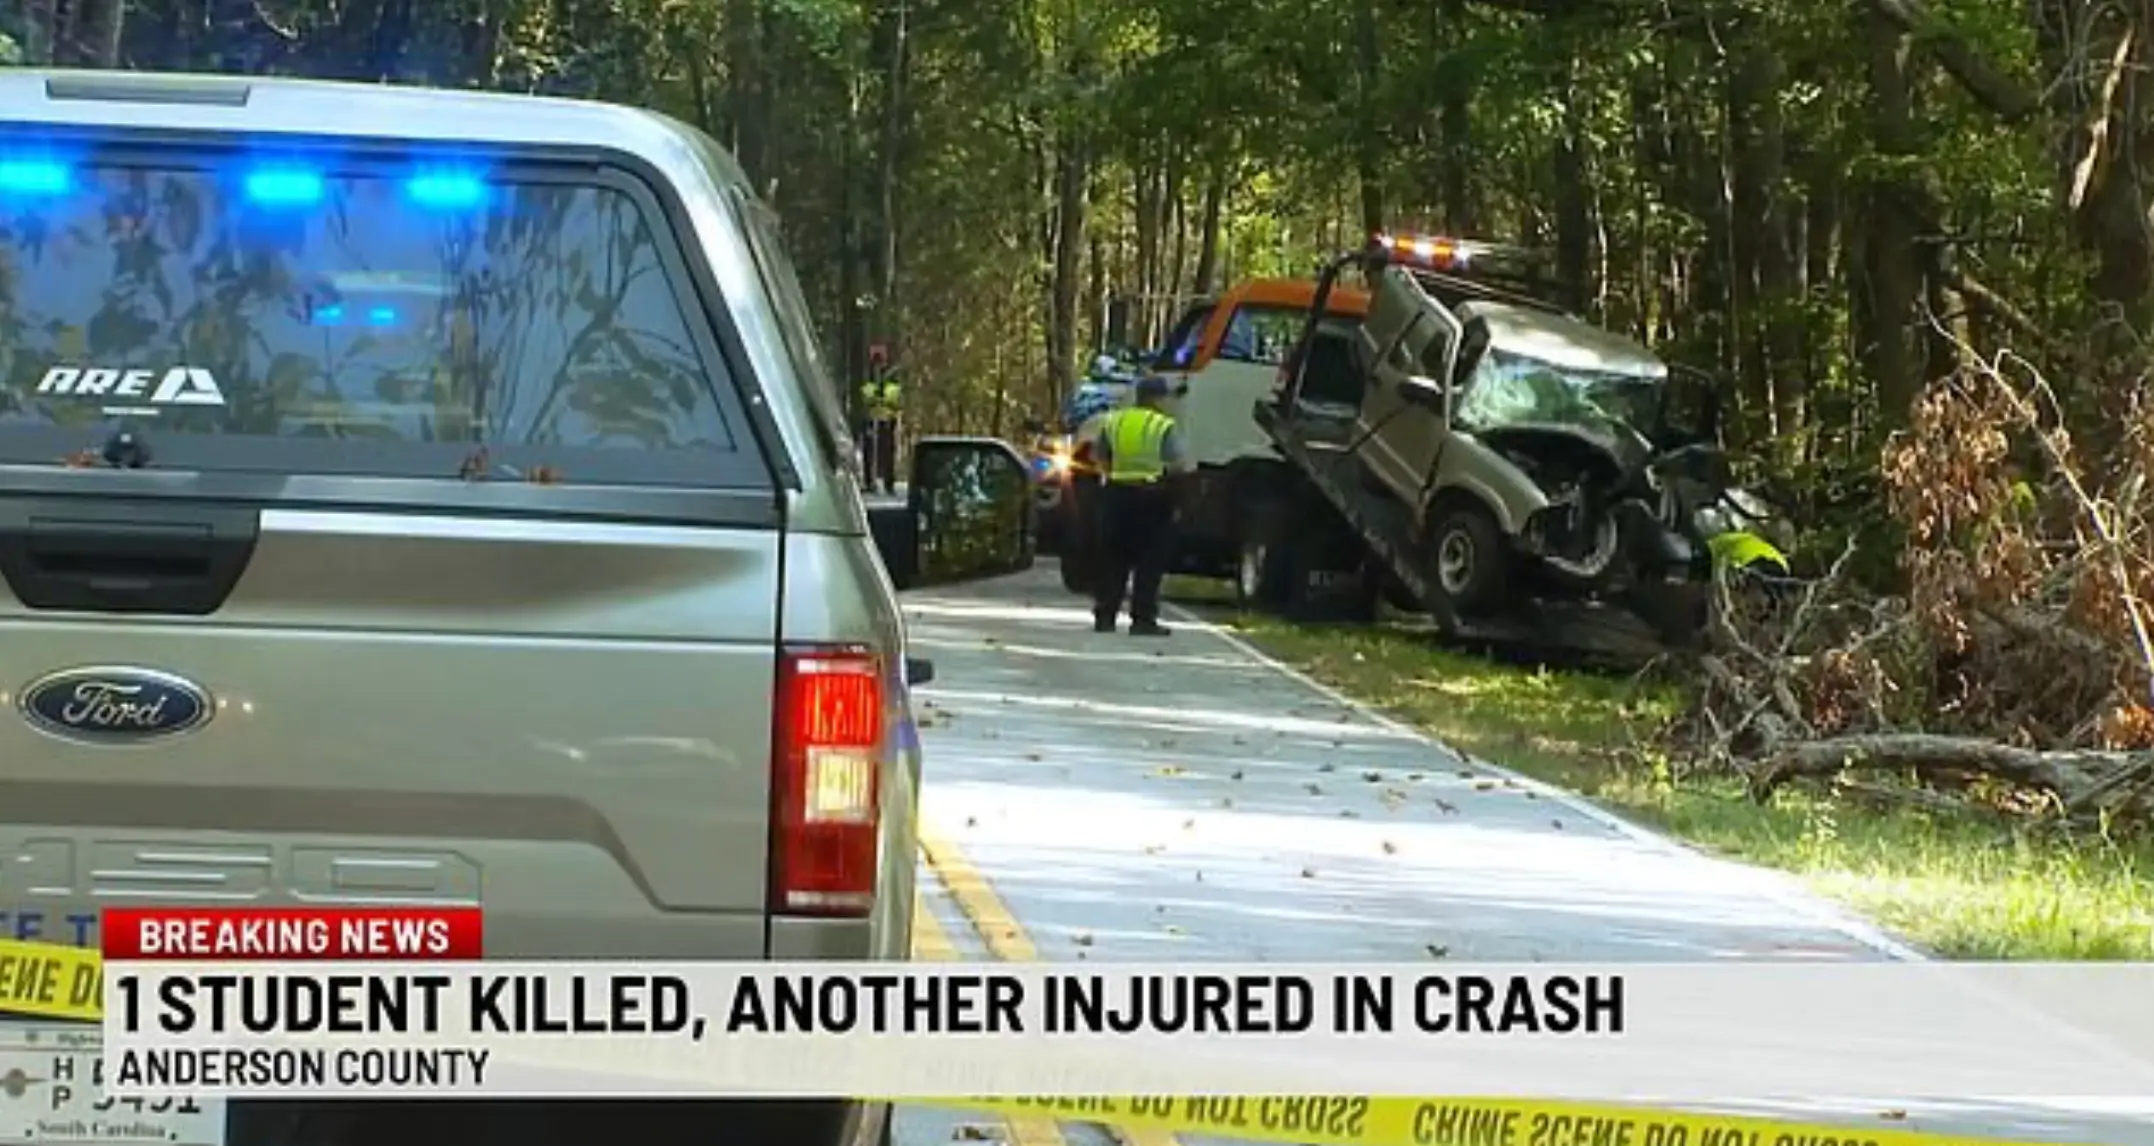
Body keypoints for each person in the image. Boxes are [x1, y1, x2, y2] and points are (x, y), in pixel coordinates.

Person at [1088, 374, 1187, 637]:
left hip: (1116, 495)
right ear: (1156, 399)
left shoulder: (1115, 421)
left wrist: (1111, 474)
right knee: (1149, 561)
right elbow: (1178, 465)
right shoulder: (1163, 425)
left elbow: (1097, 455)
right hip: (1151, 497)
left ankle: (1105, 615)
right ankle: (1142, 619)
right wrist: (1174, 496)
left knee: (1113, 558)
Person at [858, 351, 903, 494]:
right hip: (872, 421)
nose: (877, 366)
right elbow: (867, 399)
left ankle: (889, 483)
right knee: (869, 451)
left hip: (887, 422)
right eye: (875, 363)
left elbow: (893, 401)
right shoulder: (869, 381)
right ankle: (869, 482)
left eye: (880, 363)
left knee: (888, 453)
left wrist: (881, 393)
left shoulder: (891, 381)